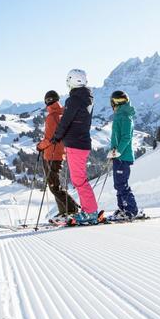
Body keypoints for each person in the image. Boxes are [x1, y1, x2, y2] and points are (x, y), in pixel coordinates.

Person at [51, 69, 103, 224]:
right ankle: (89, 210)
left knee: (79, 180)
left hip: (76, 143)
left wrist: (57, 137)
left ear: (71, 81)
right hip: (81, 142)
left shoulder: (73, 99)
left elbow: (66, 121)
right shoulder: (86, 98)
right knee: (79, 179)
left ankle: (90, 212)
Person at [36, 90, 79, 221]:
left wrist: (39, 146)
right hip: (60, 153)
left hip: (51, 155)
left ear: (46, 102)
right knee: (55, 184)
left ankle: (72, 209)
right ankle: (64, 211)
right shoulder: (63, 114)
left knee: (54, 186)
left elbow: (49, 139)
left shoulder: (51, 117)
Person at [108, 90, 142, 221]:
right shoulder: (120, 116)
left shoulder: (126, 117)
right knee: (118, 184)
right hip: (118, 156)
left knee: (122, 184)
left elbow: (126, 137)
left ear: (115, 102)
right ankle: (123, 208)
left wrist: (118, 151)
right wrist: (114, 151)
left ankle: (131, 210)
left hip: (123, 157)